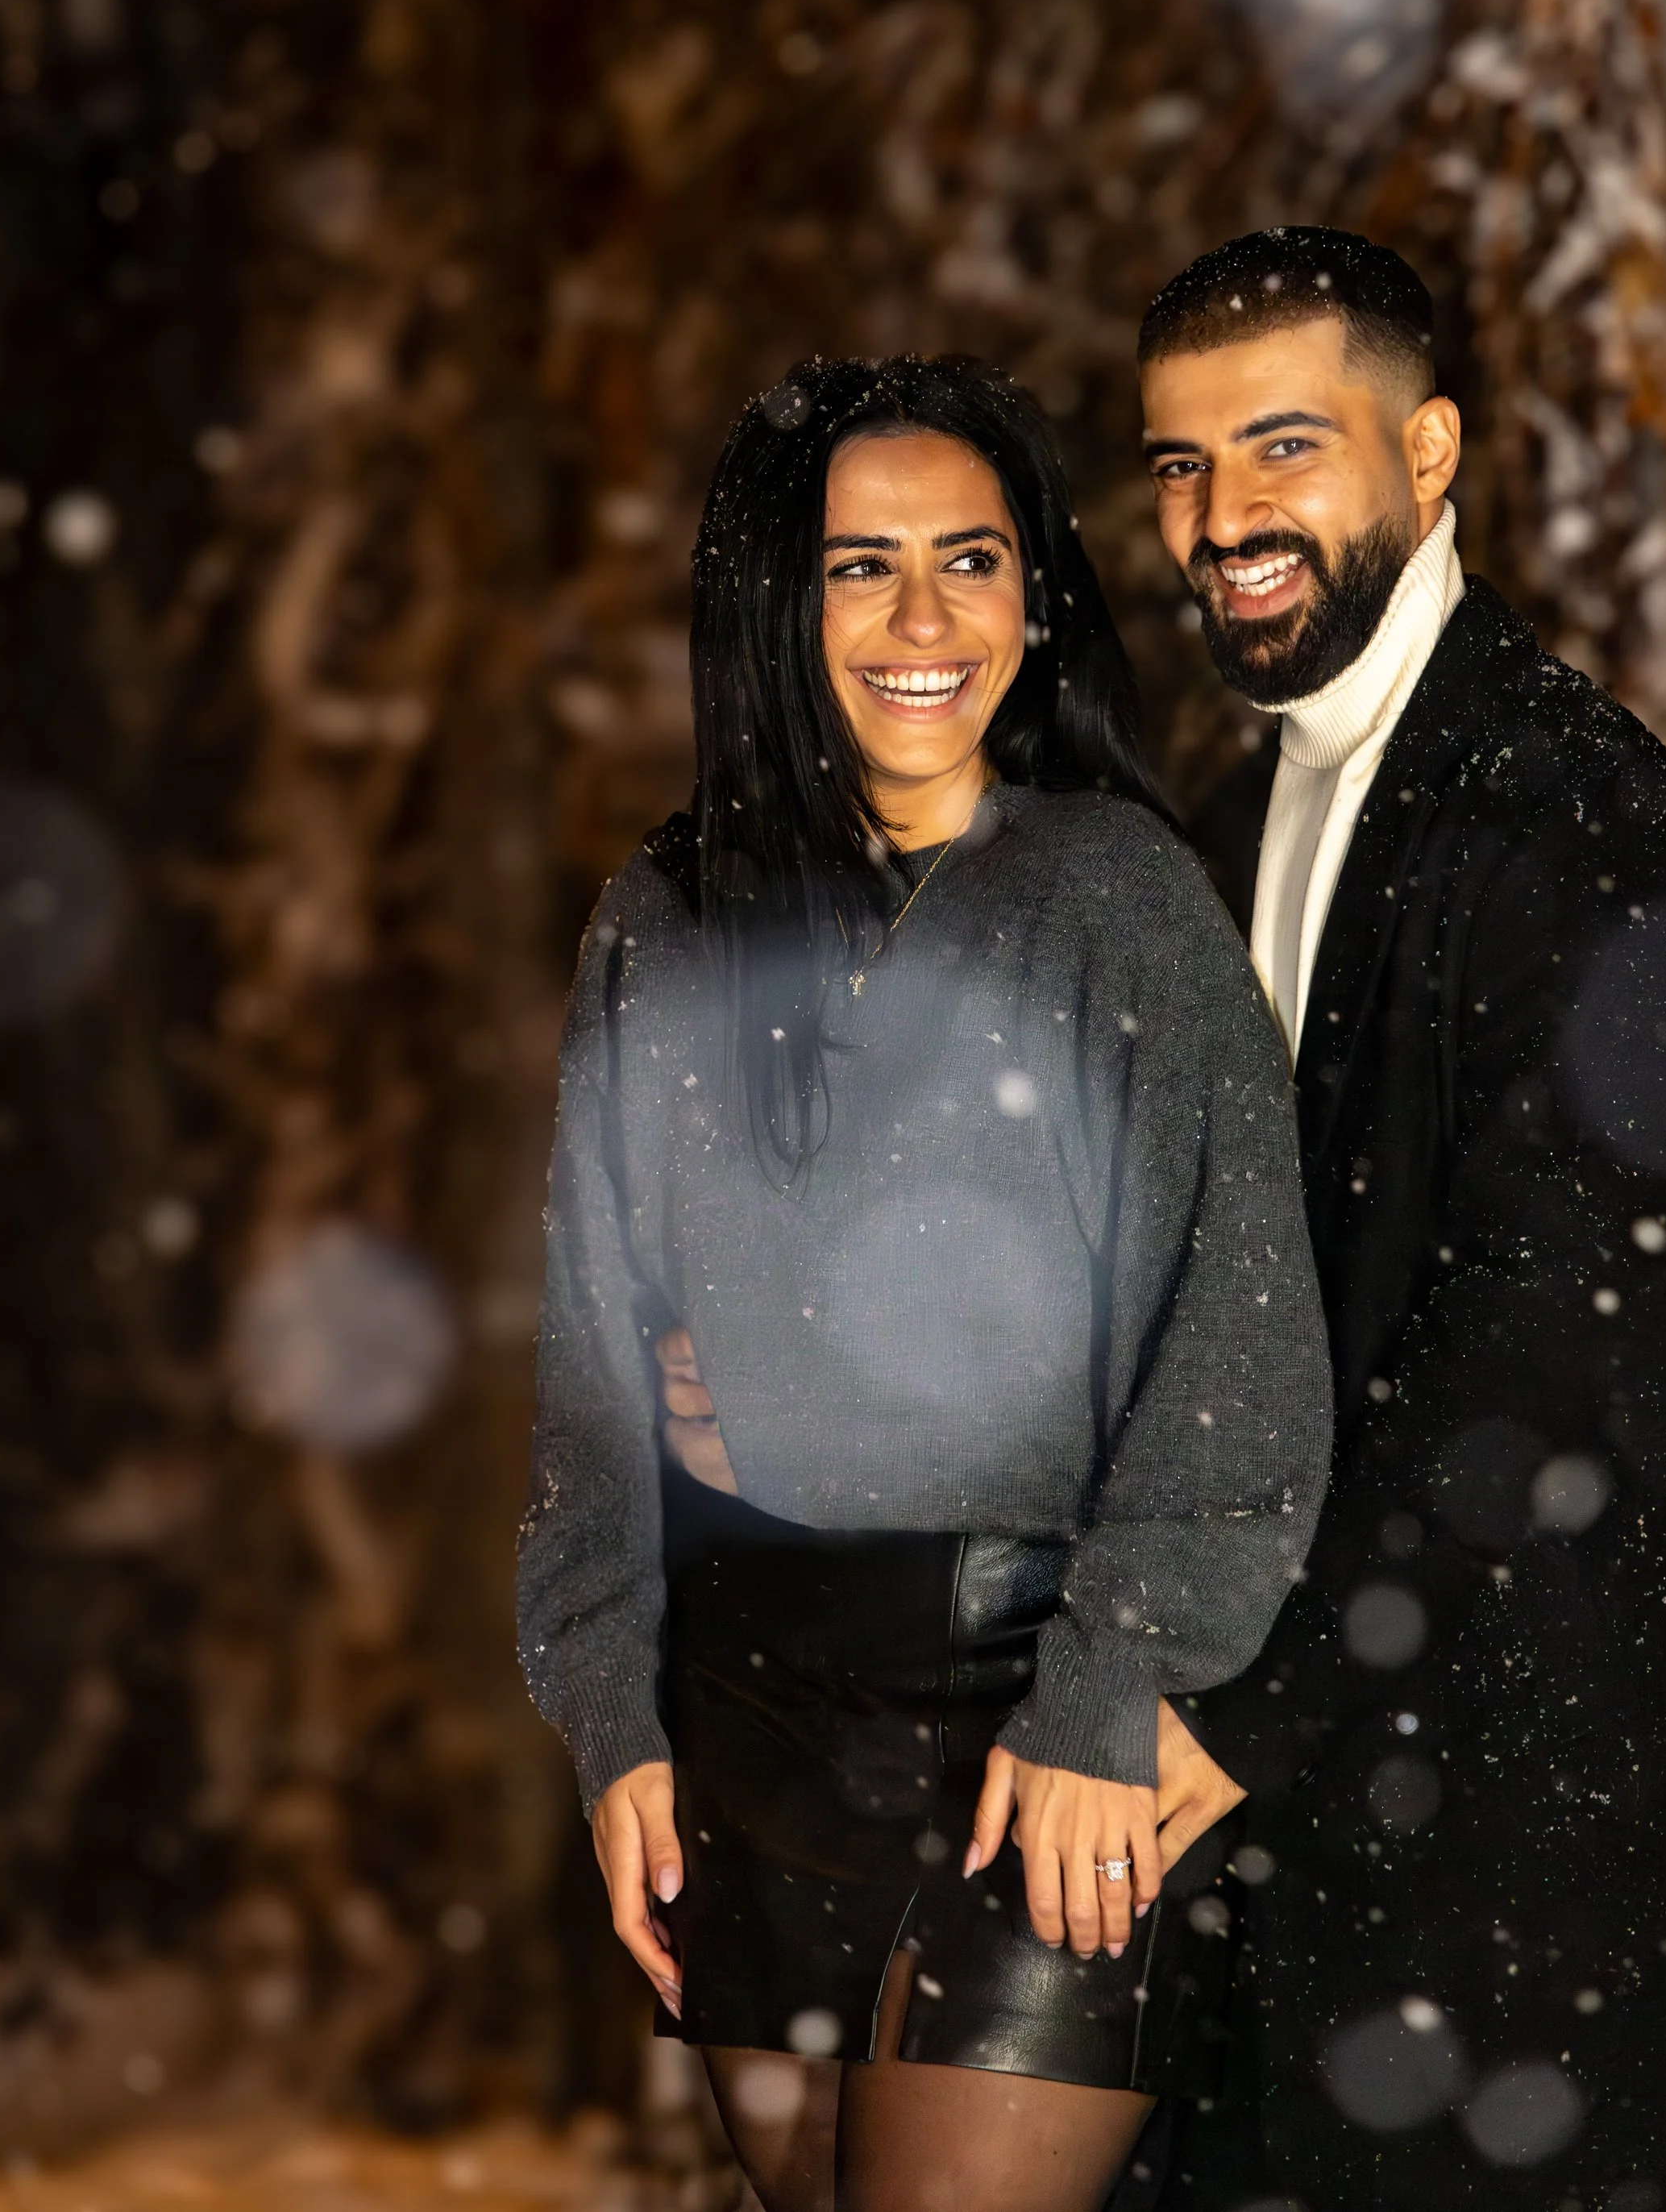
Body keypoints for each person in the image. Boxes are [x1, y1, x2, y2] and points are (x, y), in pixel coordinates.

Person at [515, 354, 1333, 2212]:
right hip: (750, 1714)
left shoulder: (1114, 895)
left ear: (1033, 593)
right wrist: (610, 1717)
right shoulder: (667, 918)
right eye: (856, 565)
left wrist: (1107, 1683)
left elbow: (1239, 1328)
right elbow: (585, 1357)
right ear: (770, 605)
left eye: (969, 557)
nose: (920, 617)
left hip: (1031, 1696)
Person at [1119, 228, 1666, 2210]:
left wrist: (1234, 1706)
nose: (1223, 517)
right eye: (1178, 465)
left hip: (1537, 1858)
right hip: (1310, 1860)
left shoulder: (1588, 823)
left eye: (1278, 449)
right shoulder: (1216, 808)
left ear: (1425, 459)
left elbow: (1544, 1350)